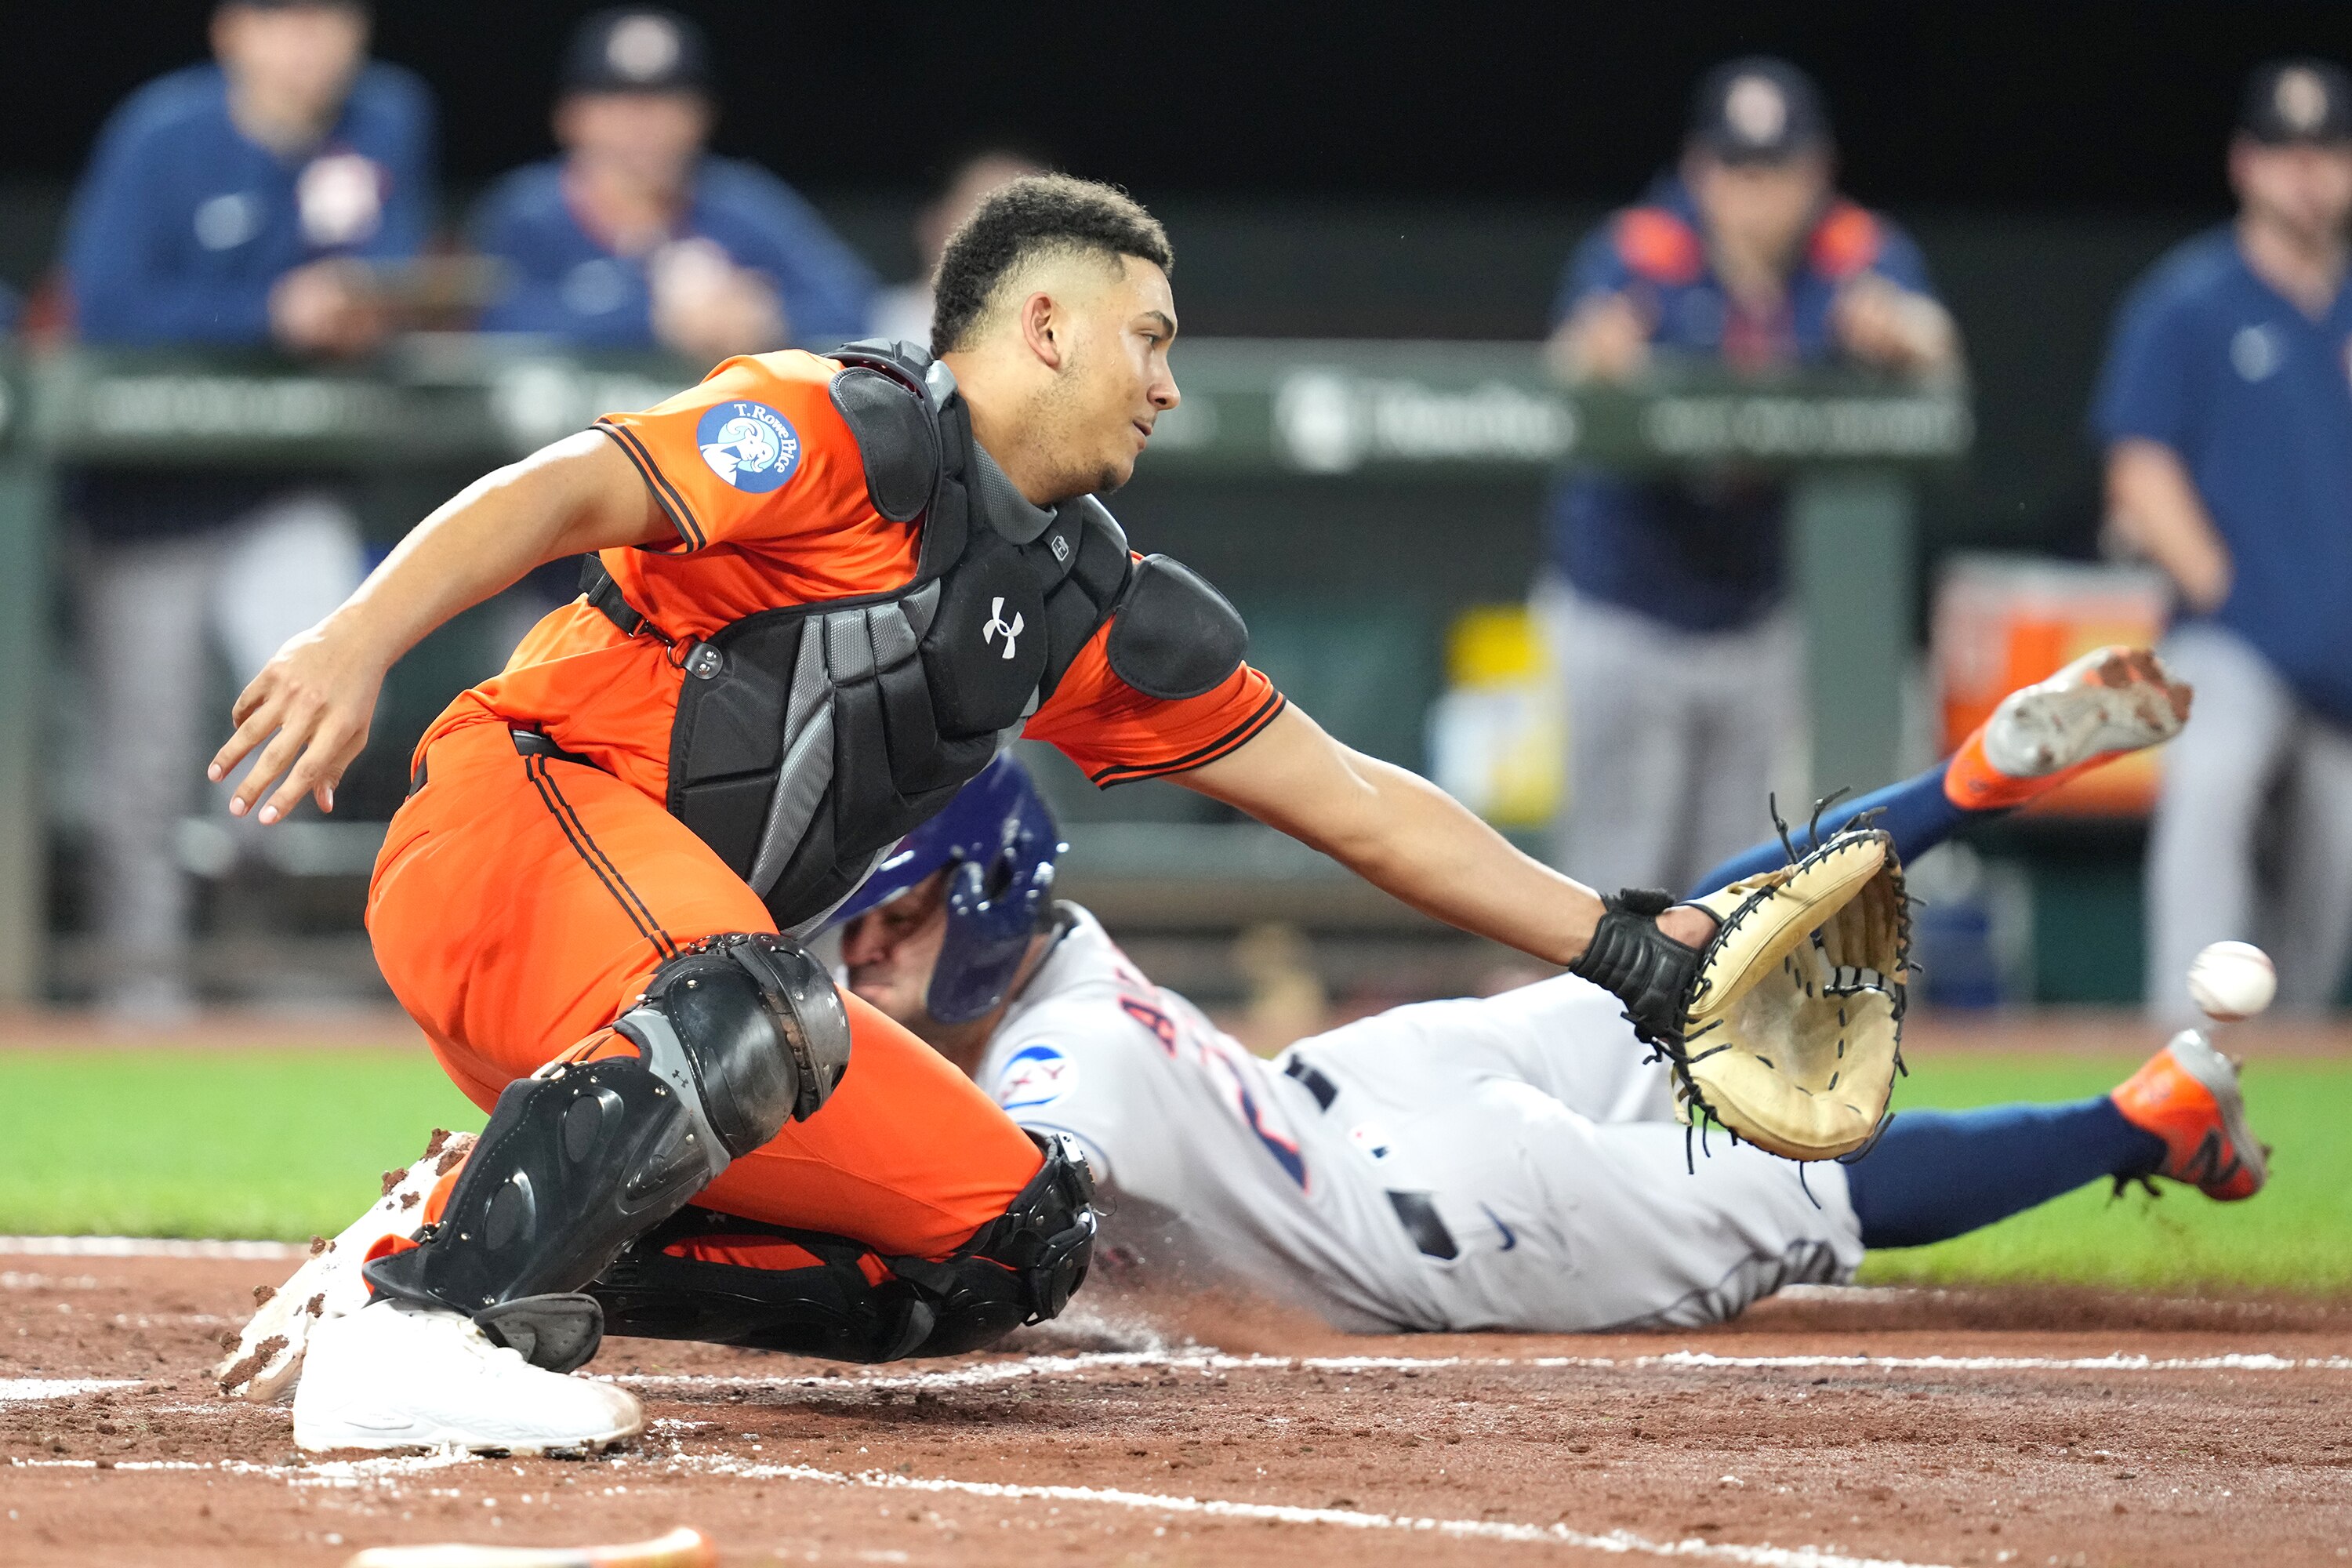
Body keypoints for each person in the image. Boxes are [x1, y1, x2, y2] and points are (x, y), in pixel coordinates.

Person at [209, 175, 1755, 1452]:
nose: (1166, 380)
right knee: (760, 1003)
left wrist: (1630, 951)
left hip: (657, 996)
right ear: (1045, 325)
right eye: (1148, 339)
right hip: (509, 834)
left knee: (1009, 1238)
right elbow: (561, 486)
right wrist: (356, 640)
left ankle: (444, 1239)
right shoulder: (842, 429)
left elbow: (1353, 800)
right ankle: (423, 1341)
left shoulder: (1077, 601)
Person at [222, 646, 2234, 1370]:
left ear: (975, 897)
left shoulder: (1046, 1052)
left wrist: (510, 1214)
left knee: (1805, 1181)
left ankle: (2134, 1119)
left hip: (1437, 1217)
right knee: (1694, 945)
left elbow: (909, 1225)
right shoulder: (1043, 989)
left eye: (893, 919)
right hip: (1359, 1082)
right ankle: (1955, 795)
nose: (860, 957)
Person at [59, 0, 433, 1017]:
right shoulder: (163, 133)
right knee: (141, 769)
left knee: (325, 698)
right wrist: (267, 316)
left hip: (283, 484)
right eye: (282, 19)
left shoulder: (384, 118)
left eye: (327, 19)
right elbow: (103, 305)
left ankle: (268, 964)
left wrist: (372, 307)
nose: (307, 41)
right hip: (153, 500)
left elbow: (393, 270)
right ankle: (137, 1002)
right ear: (233, 32)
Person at [1541, 56, 1961, 898]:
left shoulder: (1854, 253)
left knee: (1733, 886)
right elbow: (1568, 365)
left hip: (1759, 615)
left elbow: (1939, 350)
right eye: (1737, 168)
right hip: (1630, 605)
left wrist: (1904, 336)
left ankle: (1704, 1035)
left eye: (1776, 169)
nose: (1755, 191)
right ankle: (1595, 1032)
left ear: (1818, 172)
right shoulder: (1646, 249)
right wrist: (1601, 359)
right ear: (1700, 169)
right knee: (1614, 885)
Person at [2094, 58, 2352, 1025]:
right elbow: (2139, 467)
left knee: (2334, 885)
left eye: (2325, 151)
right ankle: (2180, 1037)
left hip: (2344, 669)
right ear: (2246, 163)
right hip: (2233, 638)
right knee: (2211, 779)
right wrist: (2228, 587)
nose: (2306, 174)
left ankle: (2295, 1065)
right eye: (2285, 152)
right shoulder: (2191, 301)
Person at [470, 7, 873, 361]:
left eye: (667, 103)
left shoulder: (742, 204)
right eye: (619, 102)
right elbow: (486, 326)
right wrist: (651, 314)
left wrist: (764, 315)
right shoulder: (528, 212)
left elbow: (852, 305)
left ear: (702, 117)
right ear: (571, 118)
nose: (644, 125)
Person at [869, 147, 1050, 347]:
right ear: (933, 221)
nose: (1005, 234)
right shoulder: (861, 318)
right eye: (985, 209)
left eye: (1027, 220)